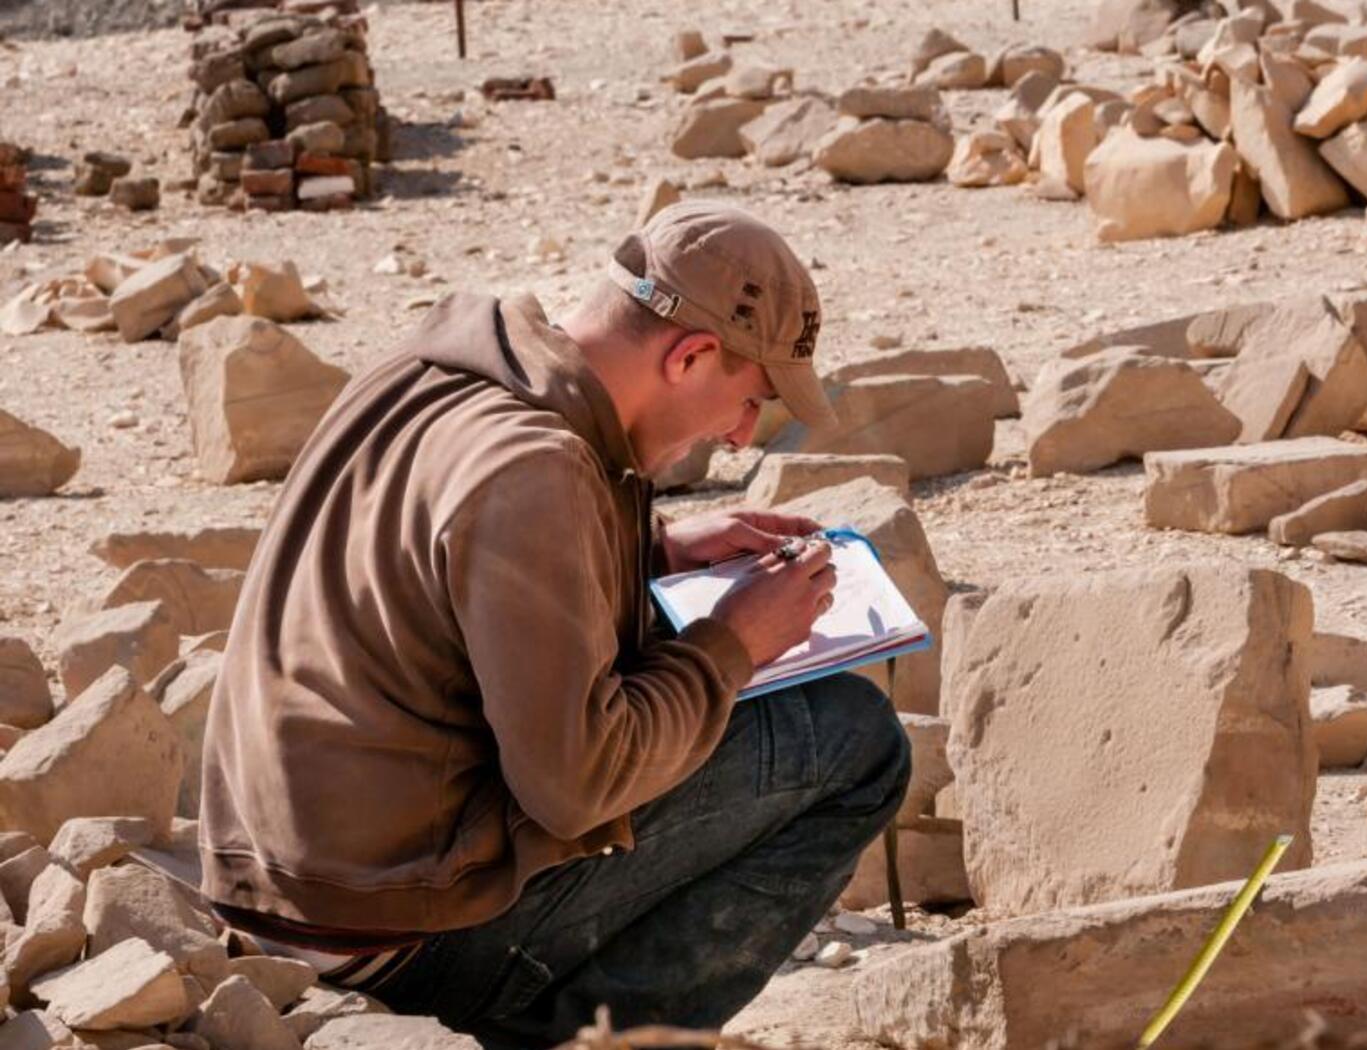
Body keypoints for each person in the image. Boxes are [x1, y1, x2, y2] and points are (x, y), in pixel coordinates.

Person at [199, 202, 911, 1048]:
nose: (741, 434)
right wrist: (731, 646)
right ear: (689, 356)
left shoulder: (431, 373)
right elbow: (577, 788)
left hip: (277, 882)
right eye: (749, 399)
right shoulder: (535, 470)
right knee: (853, 740)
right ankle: (571, 1038)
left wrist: (654, 550)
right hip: (382, 930)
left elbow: (440, 566)